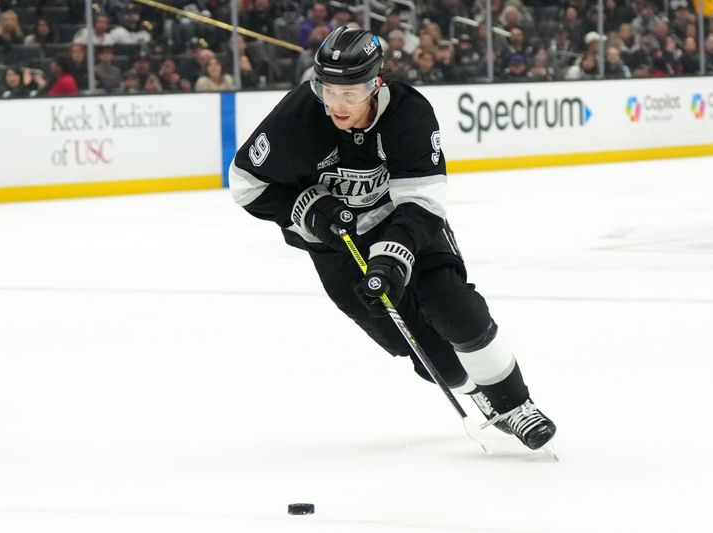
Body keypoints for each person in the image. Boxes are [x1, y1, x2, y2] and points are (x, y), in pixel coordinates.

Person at [228, 26, 556, 451]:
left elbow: (422, 201)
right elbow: (246, 183)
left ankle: (514, 404)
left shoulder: (409, 114)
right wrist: (310, 207)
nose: (337, 105)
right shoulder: (298, 118)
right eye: (328, 91)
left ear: (375, 83)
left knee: (452, 305)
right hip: (335, 246)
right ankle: (479, 395)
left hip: (403, 226)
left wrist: (392, 257)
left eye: (350, 93)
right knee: (419, 349)